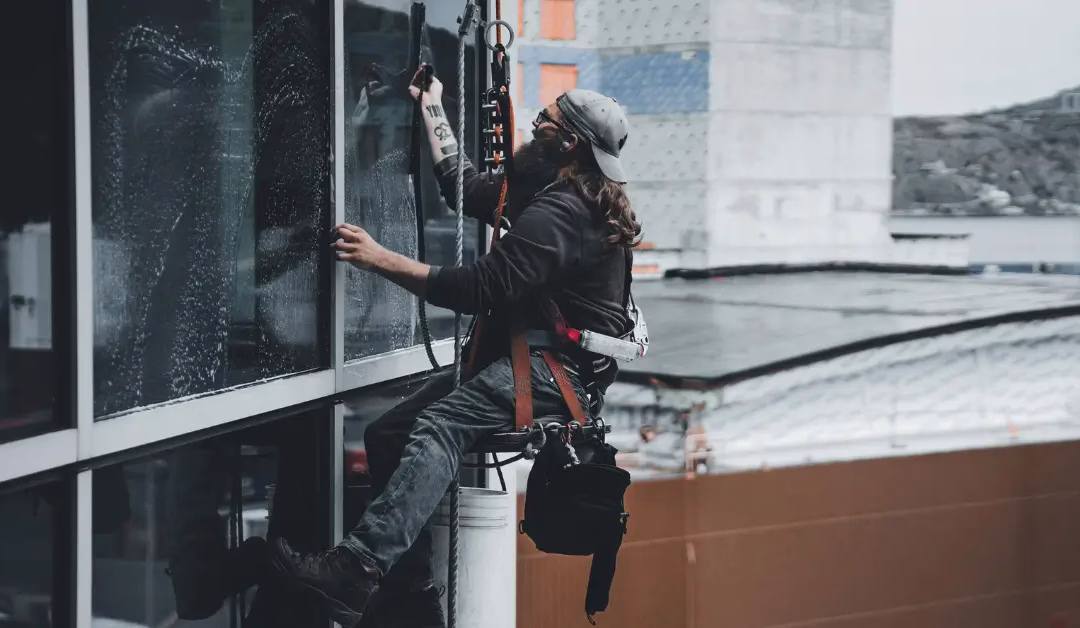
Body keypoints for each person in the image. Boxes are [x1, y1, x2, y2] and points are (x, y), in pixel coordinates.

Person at [269, 64, 641, 628]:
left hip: (551, 374)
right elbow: (465, 189)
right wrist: (432, 104)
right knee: (388, 432)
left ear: (567, 143)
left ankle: (356, 569)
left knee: (439, 425)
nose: (535, 119)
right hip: (551, 367)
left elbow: (478, 288)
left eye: (547, 118)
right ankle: (413, 594)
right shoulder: (553, 192)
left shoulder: (561, 213)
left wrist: (379, 257)